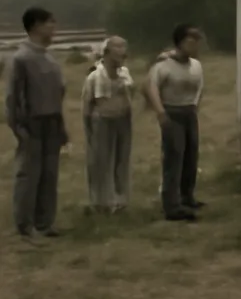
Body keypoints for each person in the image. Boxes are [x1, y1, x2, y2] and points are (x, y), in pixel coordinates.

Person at [4, 6, 69, 242]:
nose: (54, 28)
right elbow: (13, 97)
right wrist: (18, 127)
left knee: (49, 175)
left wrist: (61, 125)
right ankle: (25, 225)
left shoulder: (51, 58)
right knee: (29, 175)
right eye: (50, 23)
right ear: (36, 26)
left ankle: (45, 222)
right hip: (31, 123)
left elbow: (58, 94)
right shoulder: (21, 58)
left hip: (52, 122)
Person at [144, 24, 205, 222]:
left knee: (191, 155)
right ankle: (171, 205)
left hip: (189, 111)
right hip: (171, 111)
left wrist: (195, 105)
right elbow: (151, 87)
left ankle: (187, 196)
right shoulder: (163, 66)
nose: (194, 45)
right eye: (190, 41)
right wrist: (160, 112)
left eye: (197, 41)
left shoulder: (196, 65)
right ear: (179, 42)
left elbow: (200, 86)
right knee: (174, 157)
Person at [82, 36, 134, 213]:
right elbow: (87, 106)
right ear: (107, 52)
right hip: (102, 121)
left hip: (123, 120)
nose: (122, 51)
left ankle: (120, 200)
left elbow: (130, 95)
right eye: (117, 47)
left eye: (124, 46)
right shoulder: (95, 76)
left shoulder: (125, 73)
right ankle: (101, 202)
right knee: (100, 162)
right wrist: (89, 128)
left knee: (121, 159)